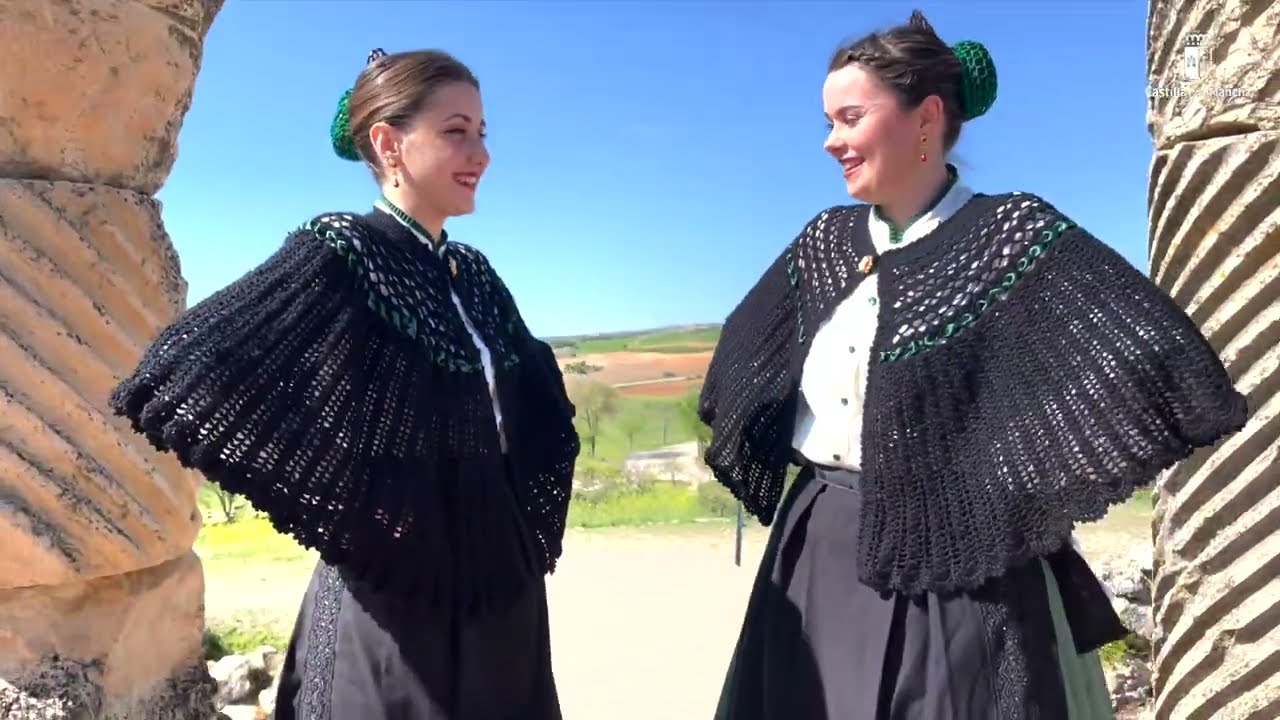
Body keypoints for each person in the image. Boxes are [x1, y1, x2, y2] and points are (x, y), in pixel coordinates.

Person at [700, 12, 1248, 720]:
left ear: (925, 118)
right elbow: (745, 363)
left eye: (850, 116)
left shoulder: (1009, 236)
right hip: (821, 550)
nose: (831, 140)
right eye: (828, 120)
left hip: (959, 566)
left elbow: (1157, 358)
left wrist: (1029, 475)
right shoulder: (826, 243)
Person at [109, 48, 579, 720]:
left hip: (499, 588)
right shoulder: (345, 250)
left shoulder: (472, 275)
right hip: (396, 592)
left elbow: (538, 406)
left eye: (482, 132)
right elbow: (189, 364)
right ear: (389, 144)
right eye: (455, 131)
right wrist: (339, 498)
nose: (481, 151)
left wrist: (514, 512)